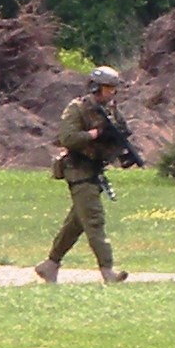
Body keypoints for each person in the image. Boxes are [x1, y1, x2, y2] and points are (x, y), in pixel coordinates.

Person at [37, 65, 140, 284]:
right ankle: (108, 271)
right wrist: (95, 134)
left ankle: (50, 265)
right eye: (108, 88)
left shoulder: (111, 111)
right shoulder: (77, 109)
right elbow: (67, 138)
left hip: (94, 171)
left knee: (75, 223)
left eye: (113, 88)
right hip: (78, 170)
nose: (112, 92)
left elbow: (121, 133)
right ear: (95, 87)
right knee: (94, 220)